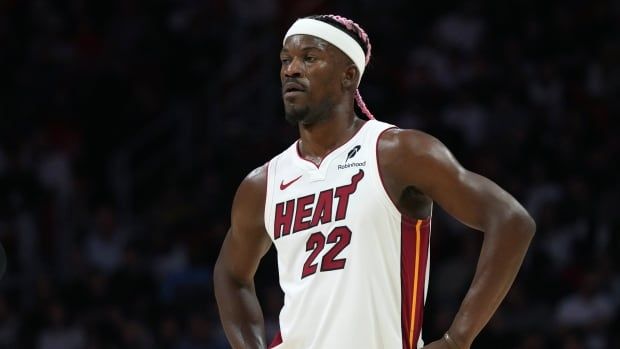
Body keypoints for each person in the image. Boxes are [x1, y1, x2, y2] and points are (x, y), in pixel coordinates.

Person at [214, 14, 535, 349]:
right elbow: (230, 275)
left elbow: (511, 220)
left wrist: (458, 339)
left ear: (348, 76)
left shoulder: (397, 152)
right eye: (285, 60)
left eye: (309, 58)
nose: (291, 70)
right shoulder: (263, 183)